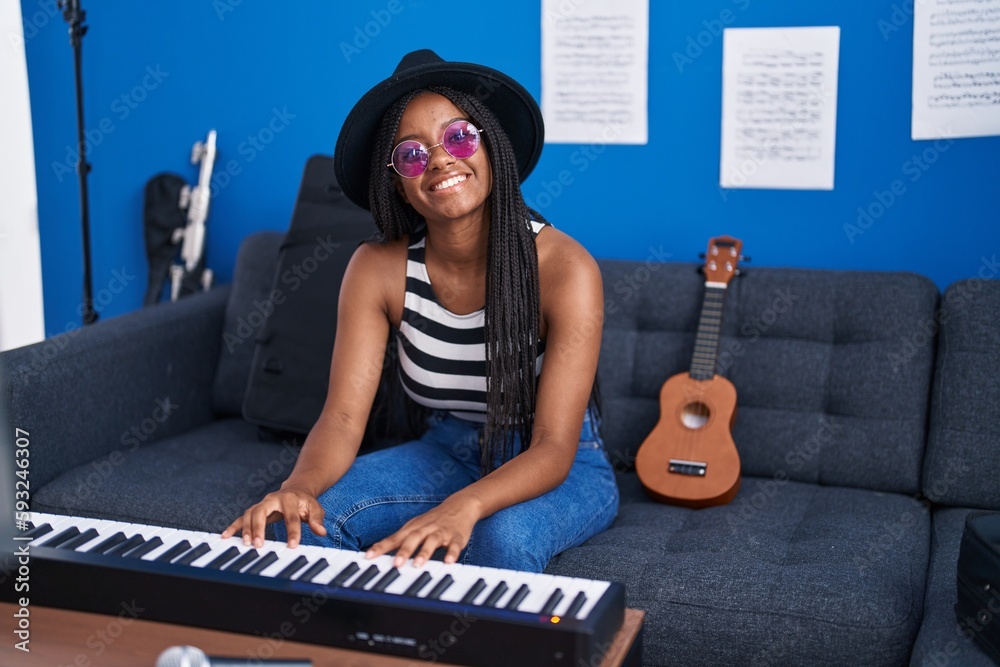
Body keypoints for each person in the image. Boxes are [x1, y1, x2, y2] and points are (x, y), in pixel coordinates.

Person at [222, 49, 618, 574]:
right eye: (411, 154)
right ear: (396, 180)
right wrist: (297, 489)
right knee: (302, 529)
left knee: (495, 540)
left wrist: (464, 507)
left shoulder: (566, 270)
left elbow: (553, 446)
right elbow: (341, 418)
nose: (439, 160)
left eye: (459, 137)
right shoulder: (377, 269)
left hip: (557, 465)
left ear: (490, 147)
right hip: (448, 449)